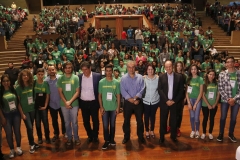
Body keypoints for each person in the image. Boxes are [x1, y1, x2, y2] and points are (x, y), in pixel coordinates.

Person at [158, 60, 184, 143]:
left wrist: (174, 101)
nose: (168, 68)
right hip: (164, 103)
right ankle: (162, 136)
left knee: (174, 120)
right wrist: (166, 100)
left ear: (172, 66)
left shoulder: (179, 77)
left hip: (174, 103)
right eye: (166, 67)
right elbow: (160, 90)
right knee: (163, 120)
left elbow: (181, 91)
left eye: (170, 66)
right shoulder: (161, 77)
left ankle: (173, 136)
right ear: (164, 68)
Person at [120, 61, 145, 144]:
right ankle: (126, 137)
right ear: (127, 68)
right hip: (128, 103)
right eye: (129, 67)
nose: (131, 69)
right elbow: (122, 90)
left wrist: (136, 98)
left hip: (138, 102)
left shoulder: (140, 77)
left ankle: (140, 136)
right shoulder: (123, 78)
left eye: (133, 67)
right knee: (126, 120)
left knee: (140, 121)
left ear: (135, 67)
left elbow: (143, 88)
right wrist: (130, 99)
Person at [217, 56, 240, 142]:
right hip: (225, 100)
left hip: (236, 100)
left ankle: (231, 134)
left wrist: (234, 99)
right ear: (226, 64)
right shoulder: (222, 74)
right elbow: (220, 88)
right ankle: (221, 134)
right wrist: (228, 99)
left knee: (233, 118)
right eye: (228, 62)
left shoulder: (239, 73)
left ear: (234, 63)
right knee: (223, 117)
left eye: (231, 62)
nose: (229, 63)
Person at [16, 69, 39, 153]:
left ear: (29, 76)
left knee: (31, 127)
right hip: (25, 111)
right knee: (29, 127)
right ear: (21, 77)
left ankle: (32, 142)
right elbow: (17, 102)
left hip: (32, 109)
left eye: (27, 75)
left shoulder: (31, 85)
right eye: (23, 75)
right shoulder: (18, 88)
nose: (25, 77)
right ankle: (32, 145)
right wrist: (22, 113)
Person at [57, 62, 80, 146]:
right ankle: (69, 138)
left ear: (72, 68)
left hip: (74, 104)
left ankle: (76, 138)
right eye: (66, 67)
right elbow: (60, 92)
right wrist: (66, 102)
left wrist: (70, 102)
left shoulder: (76, 78)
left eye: (70, 67)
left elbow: (77, 92)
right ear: (64, 69)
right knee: (67, 122)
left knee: (74, 122)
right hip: (64, 104)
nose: (68, 69)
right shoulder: (60, 79)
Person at [98, 64, 120, 150]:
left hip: (113, 107)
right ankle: (106, 140)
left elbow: (118, 95)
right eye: (106, 71)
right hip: (105, 108)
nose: (108, 72)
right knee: (105, 125)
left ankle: (112, 139)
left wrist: (118, 107)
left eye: (110, 71)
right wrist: (101, 107)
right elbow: (99, 95)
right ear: (105, 71)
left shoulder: (116, 82)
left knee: (113, 125)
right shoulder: (101, 82)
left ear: (113, 71)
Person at [0, 74, 22, 158]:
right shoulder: (1, 92)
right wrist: (2, 118)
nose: (6, 83)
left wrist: (22, 114)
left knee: (17, 131)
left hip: (16, 113)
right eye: (4, 81)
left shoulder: (13, 89)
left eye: (7, 81)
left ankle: (19, 147)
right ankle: (12, 149)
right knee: (9, 133)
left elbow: (18, 103)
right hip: (6, 115)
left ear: (10, 81)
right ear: (2, 82)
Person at [79, 61, 101, 143]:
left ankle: (95, 136)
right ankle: (90, 135)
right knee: (85, 121)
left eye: (86, 69)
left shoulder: (97, 76)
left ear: (90, 68)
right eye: (83, 70)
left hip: (94, 103)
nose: (85, 71)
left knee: (95, 120)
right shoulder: (79, 77)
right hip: (83, 102)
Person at [45, 65, 66, 142]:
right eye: (50, 70)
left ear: (56, 70)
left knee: (64, 119)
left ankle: (65, 132)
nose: (51, 71)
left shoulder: (61, 78)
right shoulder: (46, 81)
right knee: (54, 120)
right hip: (52, 104)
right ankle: (56, 133)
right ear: (48, 71)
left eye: (53, 69)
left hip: (61, 102)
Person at [186, 64, 204, 139]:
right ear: (190, 70)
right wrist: (189, 103)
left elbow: (201, 92)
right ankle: (193, 130)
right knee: (192, 116)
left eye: (195, 69)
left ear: (197, 70)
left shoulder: (200, 79)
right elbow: (186, 92)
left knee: (196, 117)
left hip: (197, 100)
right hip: (190, 100)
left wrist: (196, 103)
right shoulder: (188, 79)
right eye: (192, 69)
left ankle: (197, 131)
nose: (193, 70)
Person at [201, 69, 220, 140]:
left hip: (214, 105)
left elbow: (218, 94)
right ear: (207, 75)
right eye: (210, 74)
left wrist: (215, 104)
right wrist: (208, 104)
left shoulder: (216, 84)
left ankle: (210, 133)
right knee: (205, 118)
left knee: (212, 119)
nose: (212, 76)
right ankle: (203, 133)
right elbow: (202, 95)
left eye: (213, 75)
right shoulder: (204, 83)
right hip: (205, 105)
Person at [142, 64, 160, 139]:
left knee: (153, 116)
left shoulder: (158, 78)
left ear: (154, 70)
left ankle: (152, 130)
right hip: (145, 101)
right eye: (149, 69)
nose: (150, 71)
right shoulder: (143, 78)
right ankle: (146, 131)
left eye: (151, 69)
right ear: (146, 70)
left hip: (155, 101)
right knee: (146, 116)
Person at [34, 68, 50, 144]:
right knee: (37, 123)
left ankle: (47, 137)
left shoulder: (46, 83)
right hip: (36, 107)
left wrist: (46, 106)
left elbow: (47, 95)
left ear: (44, 74)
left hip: (44, 107)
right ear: (36, 75)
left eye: (42, 74)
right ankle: (40, 138)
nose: (40, 76)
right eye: (39, 74)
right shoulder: (34, 83)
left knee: (45, 123)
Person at [174, 61, 187, 137]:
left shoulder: (184, 76)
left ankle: (177, 128)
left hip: (181, 98)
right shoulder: (172, 75)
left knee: (179, 114)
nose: (179, 67)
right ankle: (171, 126)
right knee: (172, 113)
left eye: (180, 66)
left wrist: (185, 97)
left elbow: (187, 87)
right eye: (177, 65)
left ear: (182, 67)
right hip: (173, 98)